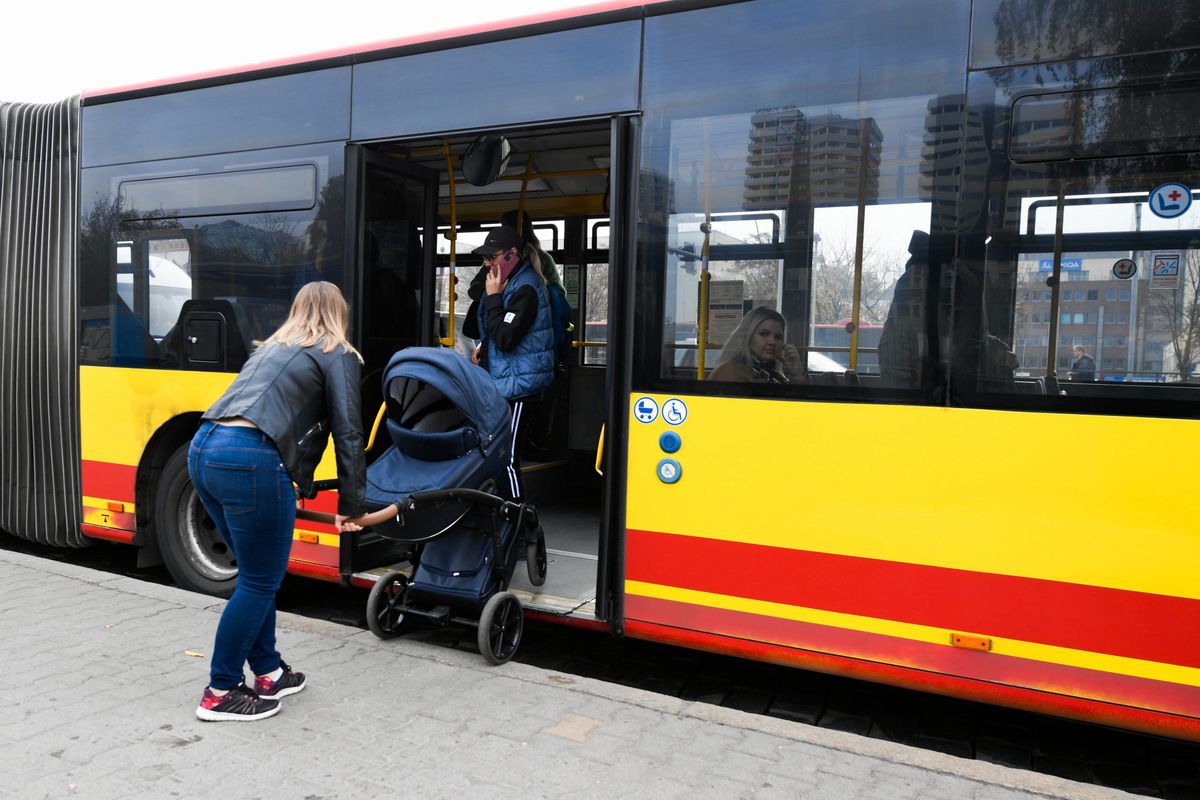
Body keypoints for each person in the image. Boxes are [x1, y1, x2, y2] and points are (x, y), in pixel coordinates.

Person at [188, 281, 367, 721]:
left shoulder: (270, 348)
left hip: (203, 448)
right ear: (339, 314)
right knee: (259, 582)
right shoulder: (335, 352)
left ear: (297, 309)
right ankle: (221, 690)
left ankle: (267, 672)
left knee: (256, 574)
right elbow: (348, 431)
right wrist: (353, 503)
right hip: (251, 460)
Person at [469, 225, 556, 500]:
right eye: (485, 259)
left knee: (507, 457)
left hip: (520, 387)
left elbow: (507, 337)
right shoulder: (508, 283)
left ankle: (519, 518)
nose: (487, 265)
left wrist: (494, 297)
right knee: (493, 454)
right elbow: (490, 329)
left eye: (492, 258)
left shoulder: (526, 288)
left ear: (512, 255)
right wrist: (485, 346)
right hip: (505, 381)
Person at [708, 307, 807, 383]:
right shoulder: (730, 371)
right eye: (764, 334)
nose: (772, 341)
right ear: (747, 336)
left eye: (778, 337)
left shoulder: (768, 372)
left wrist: (796, 373)